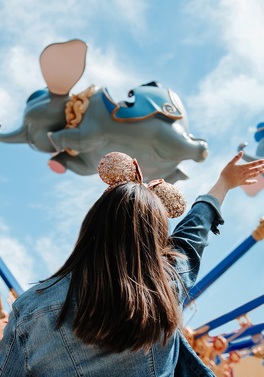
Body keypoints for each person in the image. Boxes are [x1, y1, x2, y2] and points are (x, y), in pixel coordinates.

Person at [0, 151, 263, 377]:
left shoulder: (32, 307)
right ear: (156, 240)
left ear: (92, 225)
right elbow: (193, 232)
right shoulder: (166, 287)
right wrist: (224, 183)